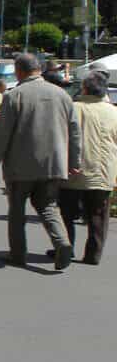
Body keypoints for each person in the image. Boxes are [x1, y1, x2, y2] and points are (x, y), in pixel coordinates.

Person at [0, 53, 81, 269]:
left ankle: (18, 254)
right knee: (48, 206)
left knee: (17, 209)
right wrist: (74, 160)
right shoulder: (62, 95)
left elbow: (2, 135)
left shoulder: (14, 96)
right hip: (54, 163)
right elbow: (75, 132)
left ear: (19, 71)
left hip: (21, 165)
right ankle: (62, 242)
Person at [58, 71, 117, 266]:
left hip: (73, 170)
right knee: (98, 215)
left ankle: (66, 247)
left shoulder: (73, 108)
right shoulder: (113, 111)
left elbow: (61, 137)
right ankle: (93, 254)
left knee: (66, 212)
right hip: (103, 171)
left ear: (84, 88)